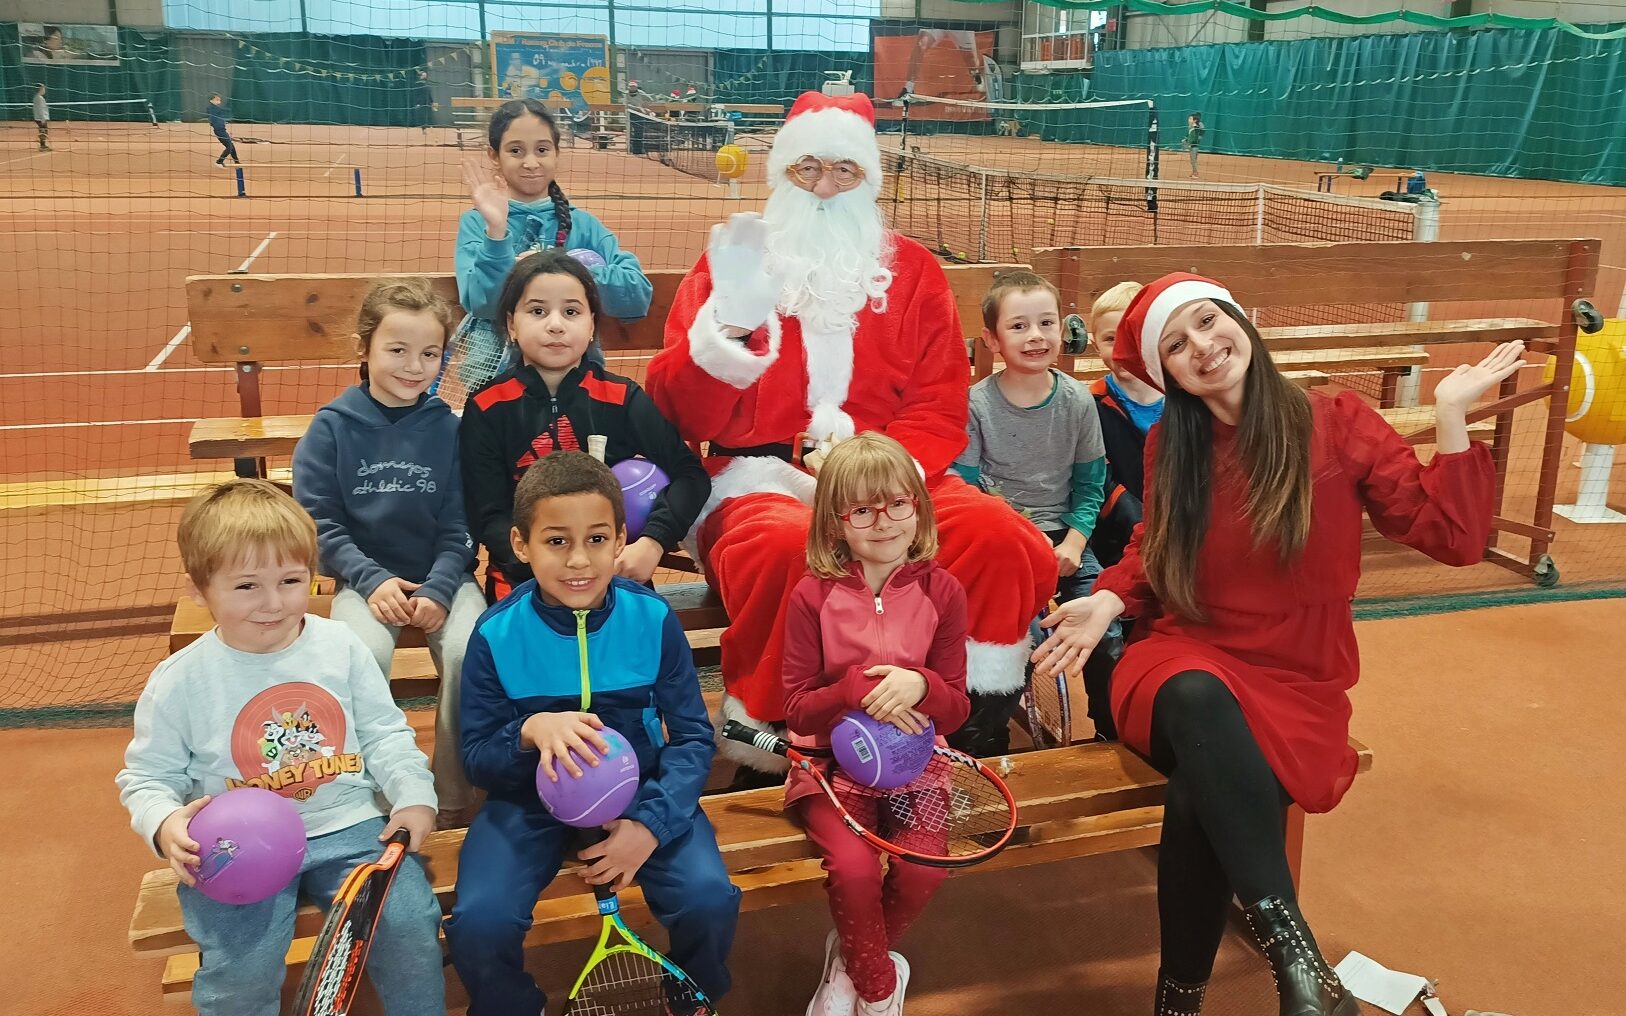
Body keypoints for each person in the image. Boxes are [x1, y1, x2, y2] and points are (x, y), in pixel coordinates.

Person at [1030, 272, 1526, 1015]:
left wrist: (1452, 417)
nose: (1202, 346)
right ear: (1169, 372)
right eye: (1176, 344)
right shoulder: (1176, 442)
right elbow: (1152, 545)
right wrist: (1106, 598)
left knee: (1205, 793)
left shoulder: (1336, 420)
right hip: (1184, 656)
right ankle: (1302, 969)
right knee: (1199, 698)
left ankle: (1177, 1003)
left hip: (1298, 673)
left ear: (1237, 319)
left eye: (1207, 322)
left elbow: (1452, 539)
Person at [647, 90, 1055, 777]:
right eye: (808, 170)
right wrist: (726, 333)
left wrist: (876, 480)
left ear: (870, 181)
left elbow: (937, 405)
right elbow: (678, 414)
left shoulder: (915, 273)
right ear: (782, 173)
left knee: (996, 536)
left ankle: (970, 715)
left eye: (846, 172)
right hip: (757, 478)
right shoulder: (734, 263)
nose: (826, 188)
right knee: (783, 549)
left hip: (895, 475)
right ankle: (781, 741)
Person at [115, 478, 443, 1016]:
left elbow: (387, 734)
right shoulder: (179, 680)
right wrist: (165, 824)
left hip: (353, 829)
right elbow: (148, 779)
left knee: (408, 925)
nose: (272, 603)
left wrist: (412, 796)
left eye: (290, 580)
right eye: (246, 587)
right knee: (241, 969)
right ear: (201, 589)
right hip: (234, 849)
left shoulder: (341, 646)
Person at [445, 451, 739, 1015]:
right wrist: (530, 730)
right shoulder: (494, 634)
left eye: (598, 539)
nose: (580, 560)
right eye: (556, 541)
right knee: (479, 922)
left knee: (708, 898)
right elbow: (478, 756)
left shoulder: (652, 619)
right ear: (521, 544)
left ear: (621, 538)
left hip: (643, 792)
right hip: (527, 802)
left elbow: (694, 740)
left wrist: (650, 825)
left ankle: (693, 995)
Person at [785, 433, 971, 1016]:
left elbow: (958, 707)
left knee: (922, 869)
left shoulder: (944, 591)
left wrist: (924, 686)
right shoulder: (811, 597)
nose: (883, 521)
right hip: (825, 765)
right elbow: (794, 708)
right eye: (861, 509)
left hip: (916, 762)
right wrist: (847, 690)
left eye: (897, 503)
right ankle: (878, 986)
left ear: (919, 508)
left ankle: (853, 963)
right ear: (837, 523)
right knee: (854, 868)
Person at [292, 279, 484, 828]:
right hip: (363, 582)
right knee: (356, 656)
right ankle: (375, 792)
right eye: (397, 350)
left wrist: (442, 586)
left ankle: (450, 796)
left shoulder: (449, 429)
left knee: (470, 651)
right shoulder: (331, 429)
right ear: (364, 349)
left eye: (429, 354)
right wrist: (371, 580)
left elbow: (460, 522)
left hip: (443, 580)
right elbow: (318, 524)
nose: (414, 366)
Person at [459, 249, 708, 602]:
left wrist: (653, 543)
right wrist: (546, 563)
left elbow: (690, 476)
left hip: (614, 578)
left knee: (635, 653)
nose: (556, 324)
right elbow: (487, 513)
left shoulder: (622, 398)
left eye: (572, 311)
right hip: (523, 582)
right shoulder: (487, 406)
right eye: (538, 311)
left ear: (592, 325)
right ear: (512, 324)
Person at [950, 270, 1114, 737]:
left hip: (1067, 543)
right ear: (993, 339)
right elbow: (966, 492)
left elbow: (1090, 485)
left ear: (1063, 329)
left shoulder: (1080, 402)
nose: (1035, 336)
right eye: (1018, 326)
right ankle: (984, 739)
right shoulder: (975, 406)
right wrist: (1024, 539)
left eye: (1046, 322)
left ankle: (1110, 732)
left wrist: (1076, 542)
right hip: (1003, 545)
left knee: (1105, 635)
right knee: (1007, 642)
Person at [456, 98, 651, 386]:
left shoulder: (584, 225)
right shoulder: (477, 224)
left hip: (578, 386)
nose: (531, 162)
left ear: (557, 153)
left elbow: (637, 297)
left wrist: (571, 273)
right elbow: (483, 305)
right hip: (499, 390)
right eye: (515, 150)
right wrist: (496, 233)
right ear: (494, 155)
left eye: (542, 150)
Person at [1086, 280, 1159, 567]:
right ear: (1095, 344)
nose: (1123, 350)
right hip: (1118, 540)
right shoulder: (1091, 404)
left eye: (1133, 336)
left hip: (1179, 530)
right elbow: (1099, 480)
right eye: (1110, 339)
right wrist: (1142, 525)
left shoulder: (1183, 400)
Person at [207, 94, 240, 167]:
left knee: (231, 146)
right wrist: (217, 124)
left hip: (222, 130)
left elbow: (213, 120)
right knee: (230, 147)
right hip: (220, 131)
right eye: (217, 100)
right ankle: (219, 162)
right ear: (211, 100)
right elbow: (212, 119)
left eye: (219, 100)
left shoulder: (216, 108)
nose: (219, 101)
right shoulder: (212, 108)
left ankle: (237, 163)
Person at [1185, 113, 1204, 178]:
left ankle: (1195, 173)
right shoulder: (1190, 127)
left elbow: (1195, 138)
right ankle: (1194, 172)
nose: (1188, 120)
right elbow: (1188, 136)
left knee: (1193, 160)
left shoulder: (1196, 128)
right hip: (1191, 146)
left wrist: (1190, 144)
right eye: (1189, 118)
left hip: (1194, 147)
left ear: (1195, 120)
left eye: (1190, 119)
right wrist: (1185, 140)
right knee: (1192, 160)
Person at [33, 84, 49, 152]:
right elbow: (41, 109)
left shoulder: (36, 97)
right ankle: (42, 146)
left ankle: (43, 145)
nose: (44, 90)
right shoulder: (40, 98)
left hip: (38, 117)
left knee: (43, 131)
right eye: (43, 89)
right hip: (41, 118)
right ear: (40, 89)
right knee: (43, 131)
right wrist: (43, 119)